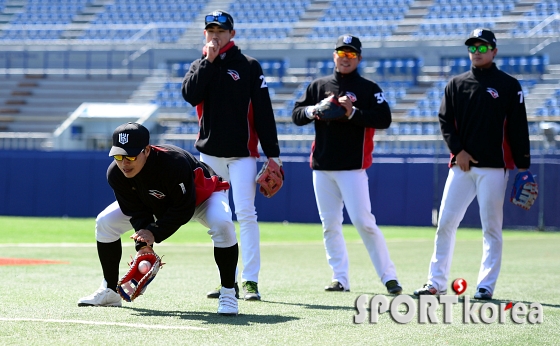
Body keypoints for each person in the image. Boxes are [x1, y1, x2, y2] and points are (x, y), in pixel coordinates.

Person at [413, 29, 531, 300]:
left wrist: (524, 166)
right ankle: (436, 283)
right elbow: (444, 120)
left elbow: (518, 128)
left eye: (482, 47)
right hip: (462, 167)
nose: (477, 52)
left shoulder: (509, 85)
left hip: (493, 167)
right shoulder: (456, 83)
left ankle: (485, 285)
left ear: (494, 51)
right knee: (445, 223)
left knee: (491, 227)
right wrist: (458, 151)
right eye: (473, 48)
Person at [77, 122, 239, 316]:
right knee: (105, 222)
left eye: (130, 156)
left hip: (201, 197)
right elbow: (136, 212)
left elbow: (184, 208)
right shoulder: (116, 174)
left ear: (146, 150)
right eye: (118, 156)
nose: (124, 163)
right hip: (155, 204)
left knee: (223, 224)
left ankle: (229, 293)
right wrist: (144, 247)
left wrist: (154, 232)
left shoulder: (173, 162)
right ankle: (110, 291)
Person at [182, 10, 281, 301]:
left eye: (221, 31)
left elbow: (264, 113)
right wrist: (209, 61)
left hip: (242, 154)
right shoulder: (200, 65)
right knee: (216, 218)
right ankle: (228, 282)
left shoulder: (249, 66)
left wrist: (273, 155)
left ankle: (250, 280)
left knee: (247, 215)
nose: (215, 35)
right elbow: (189, 94)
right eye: (210, 30)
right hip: (209, 155)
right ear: (204, 34)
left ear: (231, 34)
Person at [291, 34, 402, 295]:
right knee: (330, 224)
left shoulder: (368, 88)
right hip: (322, 166)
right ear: (334, 55)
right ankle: (339, 278)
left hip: (353, 168)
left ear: (359, 58)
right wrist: (314, 110)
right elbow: (297, 115)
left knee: (364, 223)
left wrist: (352, 113)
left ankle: (389, 277)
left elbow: (384, 118)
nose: (345, 58)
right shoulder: (319, 85)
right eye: (341, 53)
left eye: (351, 54)